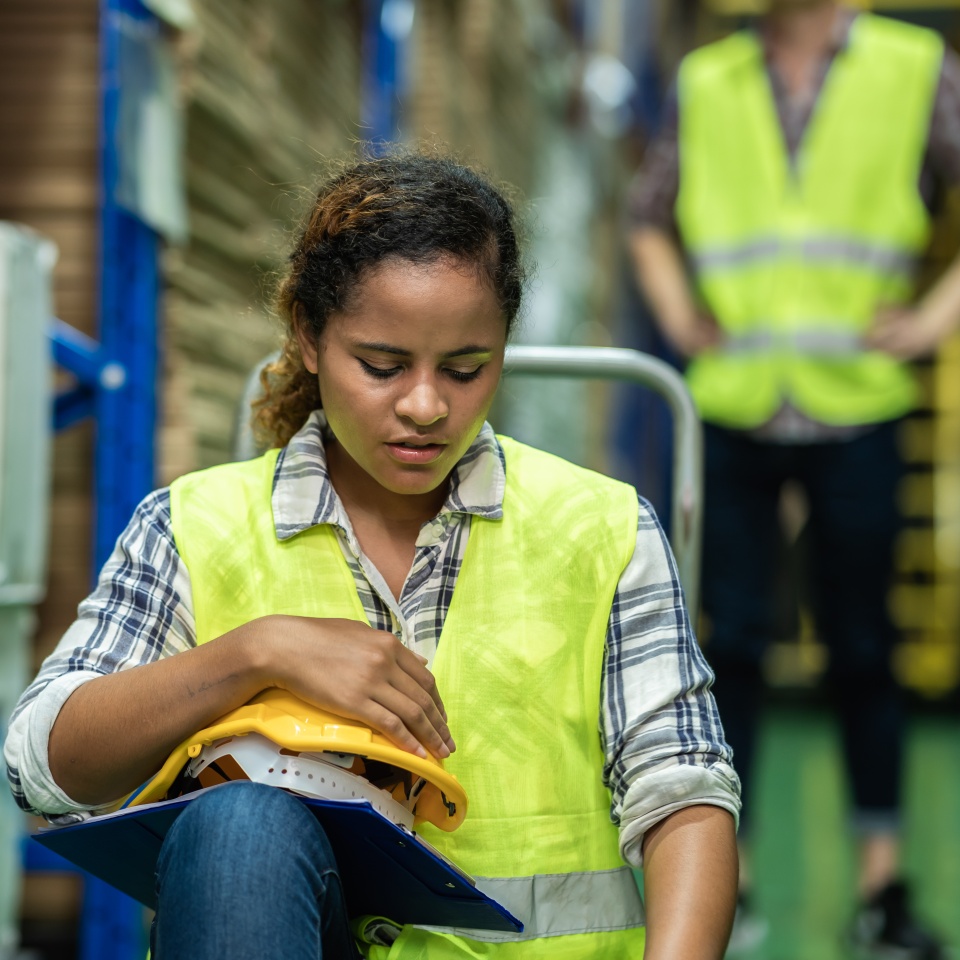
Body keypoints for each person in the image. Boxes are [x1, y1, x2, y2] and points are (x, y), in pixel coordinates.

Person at [6, 152, 740, 959]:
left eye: (466, 369)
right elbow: (40, 764)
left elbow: (685, 796)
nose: (426, 406)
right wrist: (257, 653)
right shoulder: (195, 524)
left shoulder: (602, 529)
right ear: (309, 339)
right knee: (239, 829)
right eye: (382, 367)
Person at [628, 1, 960, 957]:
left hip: (858, 399)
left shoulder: (915, 65)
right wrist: (681, 317)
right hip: (736, 400)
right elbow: (648, 216)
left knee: (865, 644)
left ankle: (883, 888)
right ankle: (728, 883)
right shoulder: (707, 77)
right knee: (730, 647)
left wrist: (934, 319)